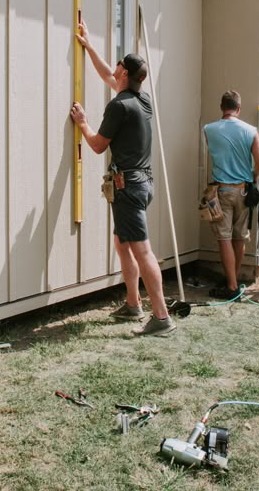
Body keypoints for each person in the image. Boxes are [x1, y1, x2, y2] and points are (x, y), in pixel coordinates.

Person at [70, 20, 175, 337]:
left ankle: (161, 317)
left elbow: (98, 145)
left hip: (127, 187)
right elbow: (107, 75)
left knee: (142, 251)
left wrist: (84, 123)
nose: (113, 71)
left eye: (118, 68)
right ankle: (133, 304)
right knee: (123, 242)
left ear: (126, 75)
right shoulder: (141, 100)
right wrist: (88, 47)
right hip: (142, 183)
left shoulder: (118, 106)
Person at [203, 90, 259, 300]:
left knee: (224, 238)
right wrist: (253, 177)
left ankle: (231, 286)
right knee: (239, 237)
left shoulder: (209, 129)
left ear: (222, 107)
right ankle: (233, 280)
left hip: (222, 191)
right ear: (238, 108)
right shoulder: (250, 130)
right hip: (244, 190)